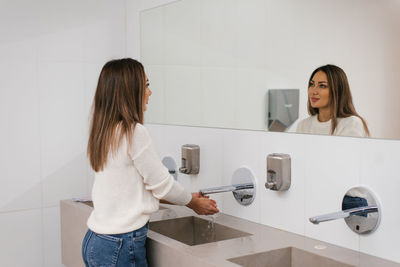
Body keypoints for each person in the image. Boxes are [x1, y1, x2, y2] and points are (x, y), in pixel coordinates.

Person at [81, 58, 219, 267]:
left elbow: (136, 190)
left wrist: (187, 196)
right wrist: (193, 203)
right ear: (130, 90)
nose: (150, 92)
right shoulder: (134, 132)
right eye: (146, 85)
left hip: (95, 241)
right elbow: (162, 186)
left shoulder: (105, 132)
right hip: (120, 245)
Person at [296, 64, 370, 137]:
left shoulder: (352, 123)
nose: (313, 91)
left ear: (338, 90)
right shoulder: (303, 125)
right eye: (312, 84)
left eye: (322, 86)